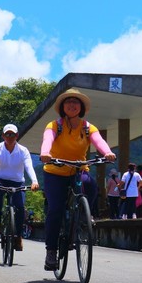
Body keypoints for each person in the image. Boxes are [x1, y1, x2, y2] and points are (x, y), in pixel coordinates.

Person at [40, 88, 116, 271]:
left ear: (81, 107)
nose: (72, 105)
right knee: (55, 209)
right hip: (55, 171)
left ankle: (83, 214)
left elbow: (99, 141)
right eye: (68, 102)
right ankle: (51, 251)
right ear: (62, 107)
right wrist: (45, 153)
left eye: (76, 102)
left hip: (77, 169)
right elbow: (47, 139)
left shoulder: (88, 127)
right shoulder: (54, 126)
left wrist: (107, 152)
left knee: (90, 184)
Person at [0, 124, 40, 251]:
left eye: (12, 134)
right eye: (7, 134)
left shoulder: (23, 151)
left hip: (17, 181)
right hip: (0, 179)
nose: (10, 137)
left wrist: (34, 181)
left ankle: (18, 236)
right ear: (3, 136)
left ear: (16, 136)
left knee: (20, 207)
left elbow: (29, 166)